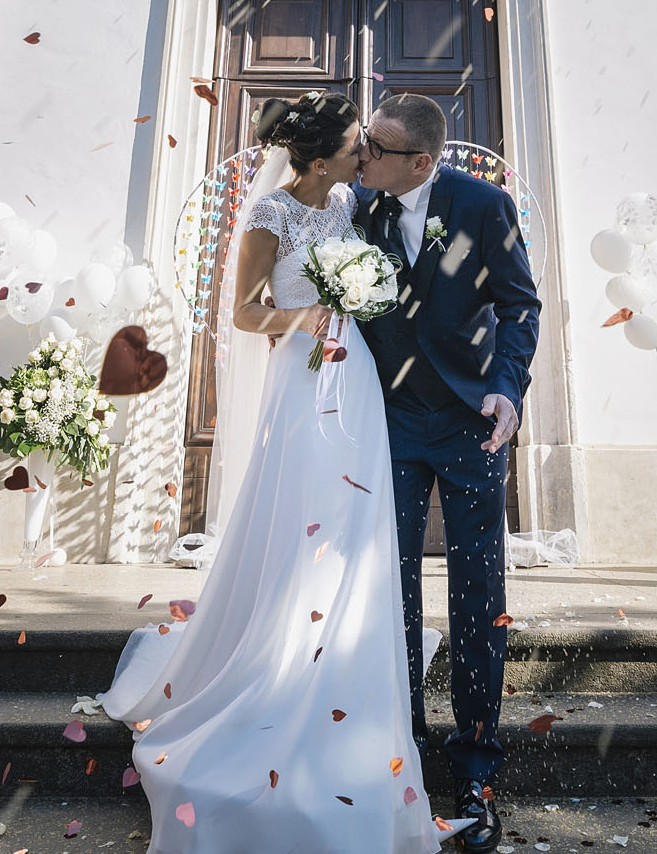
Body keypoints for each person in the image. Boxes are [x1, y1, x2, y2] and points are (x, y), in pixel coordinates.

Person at [98, 92, 466, 852]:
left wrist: (357, 298)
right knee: (303, 517)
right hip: (301, 380)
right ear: (322, 154)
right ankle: (282, 659)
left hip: (356, 378)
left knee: (352, 526)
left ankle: (345, 650)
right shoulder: (270, 215)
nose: (366, 155)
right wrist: (303, 315)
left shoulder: (354, 204)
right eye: (355, 146)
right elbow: (240, 311)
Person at [353, 93, 541, 854]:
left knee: (477, 591)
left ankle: (474, 768)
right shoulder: (359, 208)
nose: (362, 154)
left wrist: (509, 386)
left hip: (470, 425)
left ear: (422, 162)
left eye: (377, 146)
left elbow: (519, 304)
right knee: (388, 588)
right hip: (388, 426)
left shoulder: (484, 204)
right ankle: (401, 753)